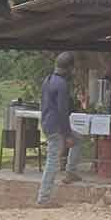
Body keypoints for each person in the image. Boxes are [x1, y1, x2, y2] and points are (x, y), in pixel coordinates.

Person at [37, 51, 84, 207]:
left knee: (78, 140)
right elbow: (63, 112)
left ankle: (71, 172)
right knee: (52, 162)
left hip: (47, 123)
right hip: (56, 126)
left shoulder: (48, 80)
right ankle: (43, 199)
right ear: (69, 68)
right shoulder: (62, 85)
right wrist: (67, 134)